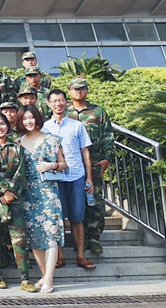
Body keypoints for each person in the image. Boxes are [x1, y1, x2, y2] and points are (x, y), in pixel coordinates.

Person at [0, 112, 38, 292]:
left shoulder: (17, 147)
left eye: (2, 124)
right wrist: (3, 191)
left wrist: (11, 192)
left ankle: (25, 278)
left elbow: (21, 172)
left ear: (8, 126)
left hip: (14, 198)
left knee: (19, 238)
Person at [42, 89, 96, 270]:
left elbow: (85, 152)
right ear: (49, 104)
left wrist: (89, 177)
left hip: (76, 176)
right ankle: (59, 256)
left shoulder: (77, 126)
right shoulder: (44, 128)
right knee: (57, 218)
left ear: (66, 102)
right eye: (54, 101)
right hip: (55, 178)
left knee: (77, 217)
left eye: (61, 100)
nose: (58, 104)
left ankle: (81, 256)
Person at [17, 105, 68, 293]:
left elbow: (64, 164)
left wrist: (51, 165)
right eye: (24, 118)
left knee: (51, 233)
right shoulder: (17, 143)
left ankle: (49, 279)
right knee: (34, 236)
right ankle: (45, 275)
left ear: (37, 118)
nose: (28, 121)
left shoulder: (51, 139)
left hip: (48, 191)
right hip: (27, 193)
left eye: (31, 117)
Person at [66, 77, 115, 255]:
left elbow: (108, 136)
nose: (79, 91)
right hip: (71, 163)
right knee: (75, 201)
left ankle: (94, 238)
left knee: (94, 201)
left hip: (93, 161)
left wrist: (107, 159)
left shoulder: (98, 111)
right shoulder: (64, 112)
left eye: (82, 88)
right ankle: (80, 239)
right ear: (69, 91)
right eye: (75, 89)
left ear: (87, 90)